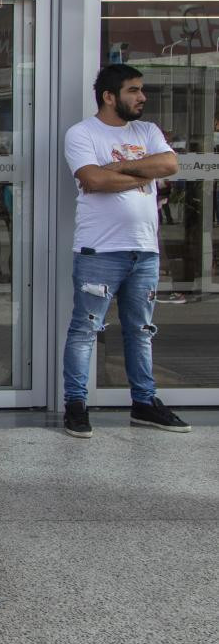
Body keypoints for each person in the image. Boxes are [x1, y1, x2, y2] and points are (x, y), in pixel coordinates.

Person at [62, 63, 191, 438]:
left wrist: (123, 167)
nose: (142, 97)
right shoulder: (82, 133)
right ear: (109, 96)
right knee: (85, 329)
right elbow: (92, 178)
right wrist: (142, 172)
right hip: (99, 250)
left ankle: (144, 404)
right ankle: (75, 405)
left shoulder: (147, 131)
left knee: (141, 331)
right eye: (134, 90)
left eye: (141, 90)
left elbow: (169, 163)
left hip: (144, 250)